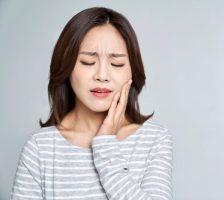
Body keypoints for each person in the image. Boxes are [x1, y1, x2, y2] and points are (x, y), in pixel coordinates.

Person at [10, 7, 173, 200]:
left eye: (117, 64)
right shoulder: (40, 148)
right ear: (67, 67)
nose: (102, 76)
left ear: (132, 71)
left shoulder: (154, 139)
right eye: (88, 62)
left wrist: (105, 146)